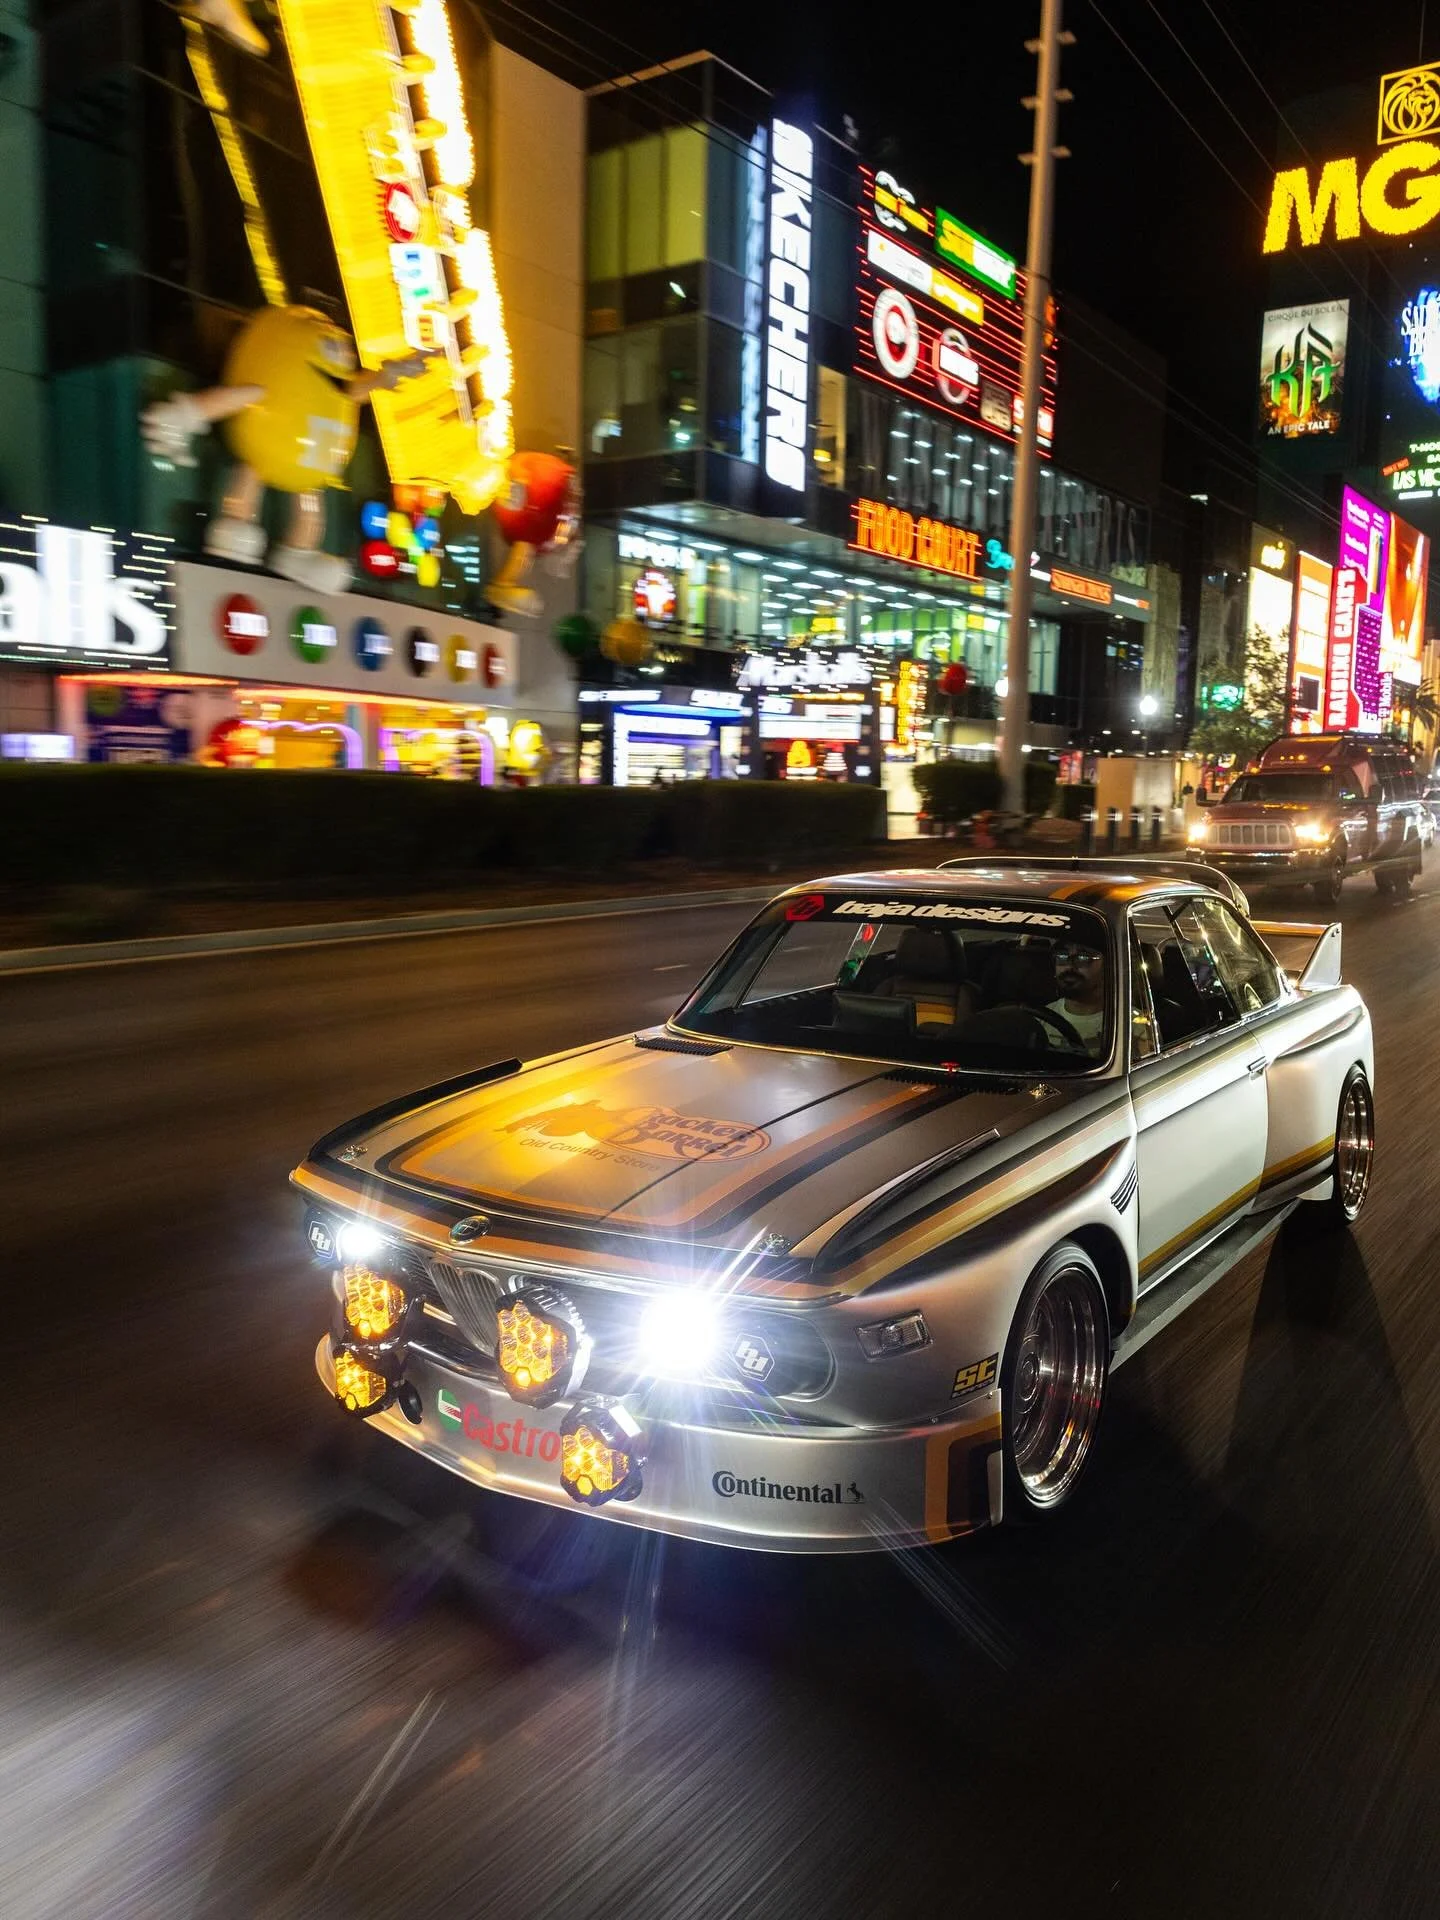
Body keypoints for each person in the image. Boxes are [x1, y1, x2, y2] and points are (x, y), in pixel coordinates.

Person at [1048, 940, 1106, 1048]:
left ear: (1106, 967)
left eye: (1083, 958)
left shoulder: (1132, 1028)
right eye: (1062, 956)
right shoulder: (1039, 1021)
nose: (1069, 967)